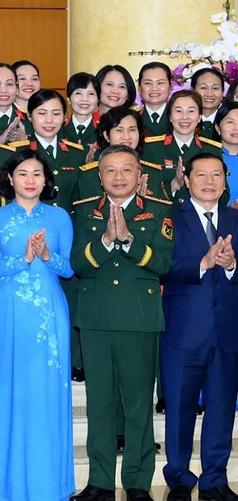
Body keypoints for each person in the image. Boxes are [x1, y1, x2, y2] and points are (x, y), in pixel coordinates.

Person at [70, 145, 174, 501]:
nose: (118, 177)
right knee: (99, 404)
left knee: (138, 405)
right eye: (110, 170)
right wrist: (105, 240)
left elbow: (163, 263)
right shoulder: (85, 213)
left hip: (138, 319)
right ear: (99, 177)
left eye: (126, 170)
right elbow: (77, 265)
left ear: (139, 175)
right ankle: (99, 481)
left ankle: (137, 481)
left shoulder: (159, 212)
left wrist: (127, 240)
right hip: (96, 319)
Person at [0, 148, 75, 501]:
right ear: (9, 179)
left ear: (47, 180)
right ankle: (7, 486)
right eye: (23, 173)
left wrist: (48, 256)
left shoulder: (60, 217)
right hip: (7, 311)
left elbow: (68, 268)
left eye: (37, 174)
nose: (30, 180)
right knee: (8, 392)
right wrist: (23, 258)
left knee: (44, 395)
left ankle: (47, 483)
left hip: (49, 312)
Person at [159, 152, 238, 501]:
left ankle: (214, 479)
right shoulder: (169, 217)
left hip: (227, 331)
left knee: (221, 408)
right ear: (187, 180)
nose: (209, 181)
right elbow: (161, 265)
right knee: (179, 408)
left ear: (225, 181)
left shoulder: (236, 221)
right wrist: (203, 264)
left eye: (216, 175)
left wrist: (233, 265)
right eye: (201, 175)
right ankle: (178, 479)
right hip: (183, 330)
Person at [137, 62, 173, 138]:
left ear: (170, 86)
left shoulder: (179, 117)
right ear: (139, 87)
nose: (154, 88)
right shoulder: (133, 118)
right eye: (147, 83)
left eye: (160, 83)